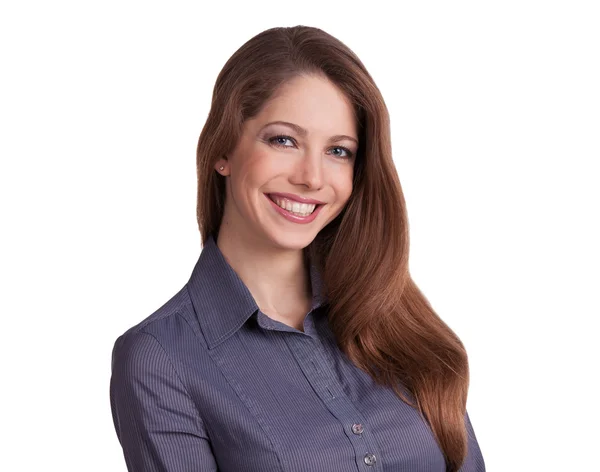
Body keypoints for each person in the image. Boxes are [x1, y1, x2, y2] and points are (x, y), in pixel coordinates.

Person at [109, 25, 486, 472]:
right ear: (223, 150)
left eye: (339, 151)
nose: (311, 177)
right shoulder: (160, 359)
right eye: (283, 140)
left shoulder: (394, 317)